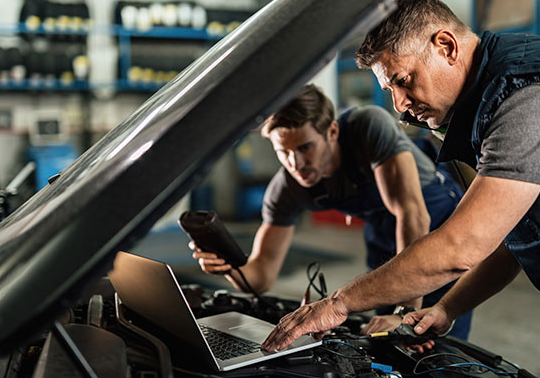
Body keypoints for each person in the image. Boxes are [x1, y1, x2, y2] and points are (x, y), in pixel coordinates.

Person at [262, 0, 540, 352]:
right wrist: (447, 307)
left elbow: (463, 245)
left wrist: (338, 304)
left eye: (403, 80)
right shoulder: (486, 103)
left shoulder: (526, 98)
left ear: (446, 46)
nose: (399, 104)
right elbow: (511, 238)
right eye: (390, 89)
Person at [190, 83, 472, 338]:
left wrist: (402, 314)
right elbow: (261, 276)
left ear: (332, 132)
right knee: (383, 341)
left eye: (305, 147)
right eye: (283, 152)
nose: (296, 163)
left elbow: (412, 213)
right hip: (384, 238)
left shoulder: (367, 128)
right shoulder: (286, 189)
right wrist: (229, 266)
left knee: (432, 342)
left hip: (435, 226)